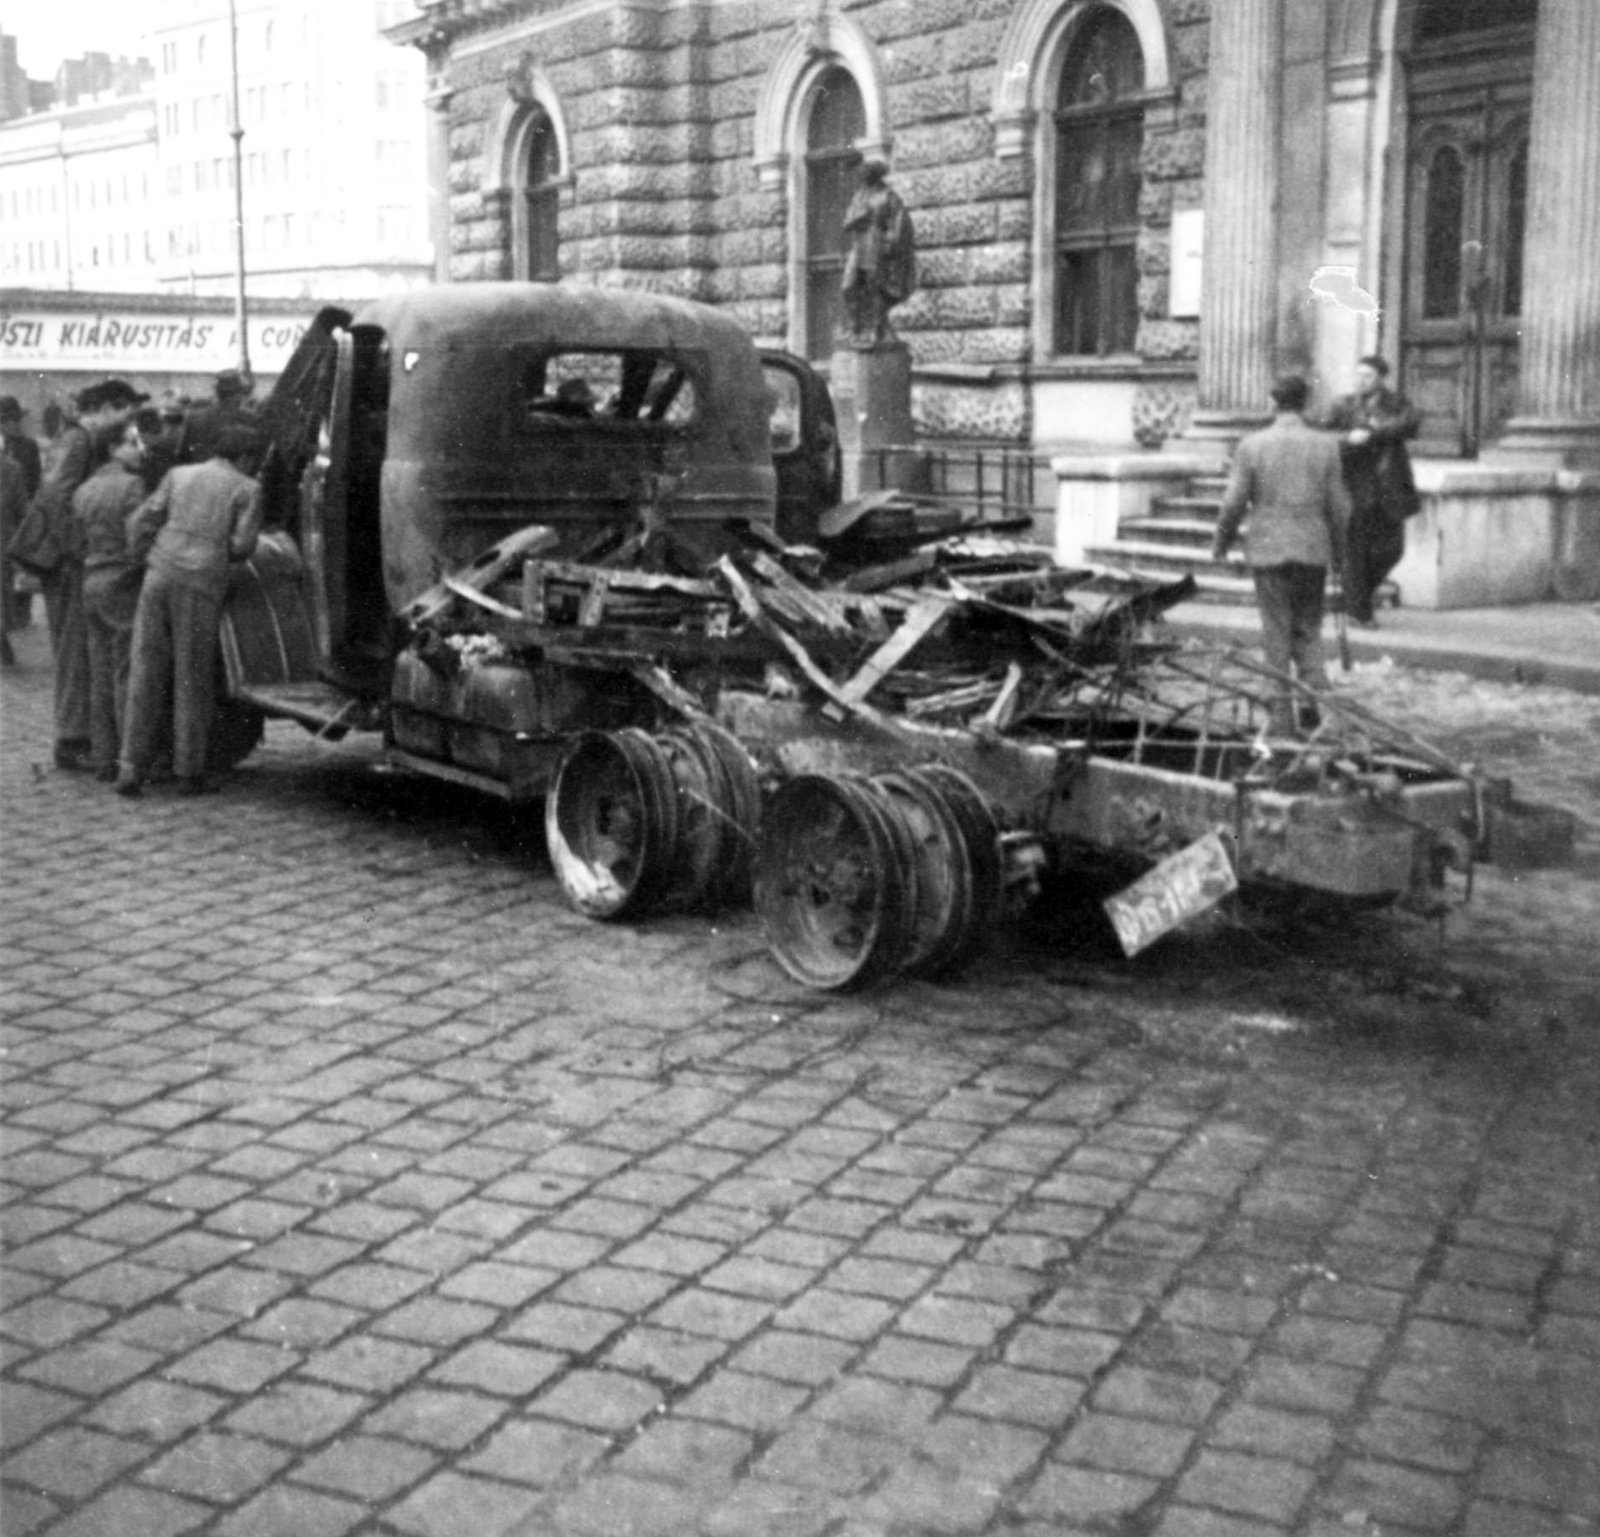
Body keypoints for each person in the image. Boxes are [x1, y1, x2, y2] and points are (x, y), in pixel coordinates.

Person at [116, 423, 265, 797]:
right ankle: (188, 771)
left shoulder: (177, 474)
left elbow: (143, 520)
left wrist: (145, 558)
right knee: (191, 676)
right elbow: (242, 547)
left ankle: (129, 768)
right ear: (245, 457)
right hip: (200, 583)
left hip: (158, 573)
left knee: (145, 669)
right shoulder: (248, 488)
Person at [1211, 374, 1352, 737]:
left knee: (1276, 634)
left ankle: (1282, 722)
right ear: (1305, 404)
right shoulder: (1326, 445)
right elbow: (1340, 508)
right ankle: (1322, 714)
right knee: (1308, 632)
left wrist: (1222, 543)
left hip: (1269, 550)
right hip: (1312, 549)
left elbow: (1233, 503)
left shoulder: (1252, 445)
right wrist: (1338, 551)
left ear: (1274, 403)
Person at [19, 379, 149, 771]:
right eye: (126, 409)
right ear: (108, 407)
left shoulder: (79, 438)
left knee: (81, 649)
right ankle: (73, 740)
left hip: (70, 558)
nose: (130, 418)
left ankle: (82, 735)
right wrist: (80, 548)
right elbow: (57, 496)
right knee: (75, 651)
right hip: (66, 561)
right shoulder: (79, 439)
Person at [1320, 354, 1421, 627]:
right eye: (1358, 375)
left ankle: (1357, 599)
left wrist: (1373, 433)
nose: (1361, 381)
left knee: (1393, 549)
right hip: (1353, 486)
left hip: (1389, 486)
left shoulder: (1397, 403)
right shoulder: (1343, 405)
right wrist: (1347, 438)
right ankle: (1358, 611)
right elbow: (1322, 436)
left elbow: (1410, 423)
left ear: (1381, 379)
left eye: (1368, 376)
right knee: (1356, 551)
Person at [73, 420, 148, 780]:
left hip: (91, 577)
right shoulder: (132, 485)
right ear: (113, 449)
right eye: (131, 442)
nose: (138, 448)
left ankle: (103, 757)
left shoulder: (85, 488)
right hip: (121, 578)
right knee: (125, 672)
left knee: (100, 673)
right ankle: (126, 758)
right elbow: (138, 534)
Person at [839, 158, 917, 348]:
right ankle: (854, 328)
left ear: (875, 174)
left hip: (877, 245)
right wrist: (860, 215)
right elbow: (847, 222)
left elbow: (899, 224)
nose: (861, 176)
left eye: (865, 172)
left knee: (876, 289)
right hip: (859, 246)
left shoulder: (888, 196)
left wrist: (891, 241)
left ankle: (876, 330)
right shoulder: (860, 196)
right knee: (848, 287)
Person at [1, 395, 43, 634]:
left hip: (21, 509)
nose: (18, 425)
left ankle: (20, 617)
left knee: (19, 566)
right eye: (13, 420)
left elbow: (35, 480)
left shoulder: (28, 446)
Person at [177, 368, 253, 465]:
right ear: (240, 393)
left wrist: (197, 452)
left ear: (217, 392)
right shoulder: (250, 419)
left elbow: (185, 452)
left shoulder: (194, 418)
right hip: (234, 476)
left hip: (198, 473)